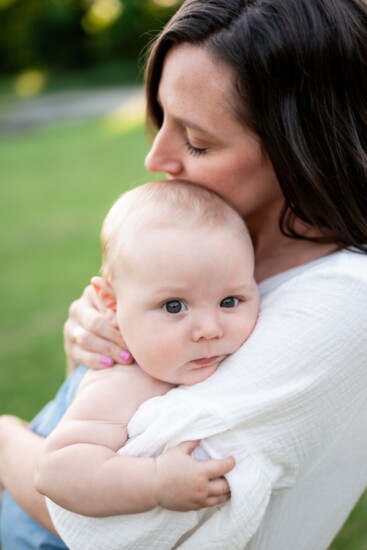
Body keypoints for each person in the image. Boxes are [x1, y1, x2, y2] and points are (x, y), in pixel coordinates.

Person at [0, 0, 366, 548]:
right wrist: (95, 348)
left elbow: (115, 528)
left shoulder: (340, 302)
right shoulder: (209, 248)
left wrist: (7, 441)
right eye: (162, 117)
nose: (155, 156)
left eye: (197, 141)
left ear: (302, 146)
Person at [0, 180, 259, 549]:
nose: (209, 330)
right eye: (174, 306)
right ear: (112, 304)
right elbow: (55, 471)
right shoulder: (124, 382)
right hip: (34, 538)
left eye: (230, 301)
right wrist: (155, 481)